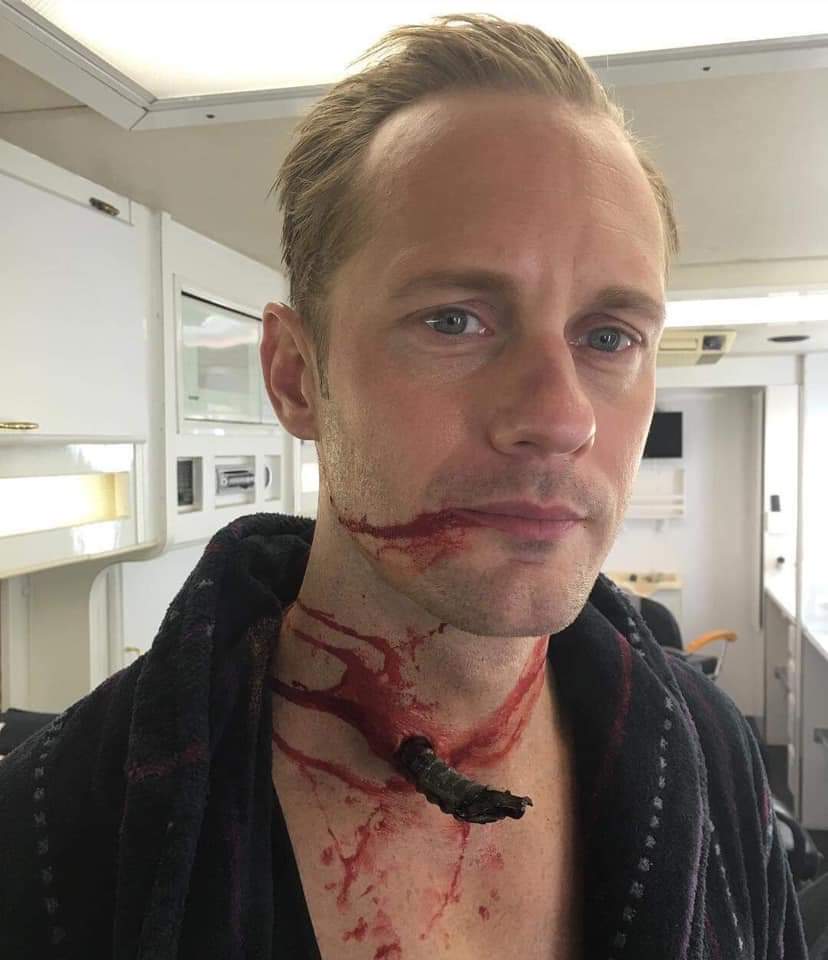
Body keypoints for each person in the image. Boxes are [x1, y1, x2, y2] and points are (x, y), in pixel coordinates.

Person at [0, 13, 806, 960]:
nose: (562, 417)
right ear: (297, 376)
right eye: (454, 320)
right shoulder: (46, 838)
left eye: (608, 337)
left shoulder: (712, 754)